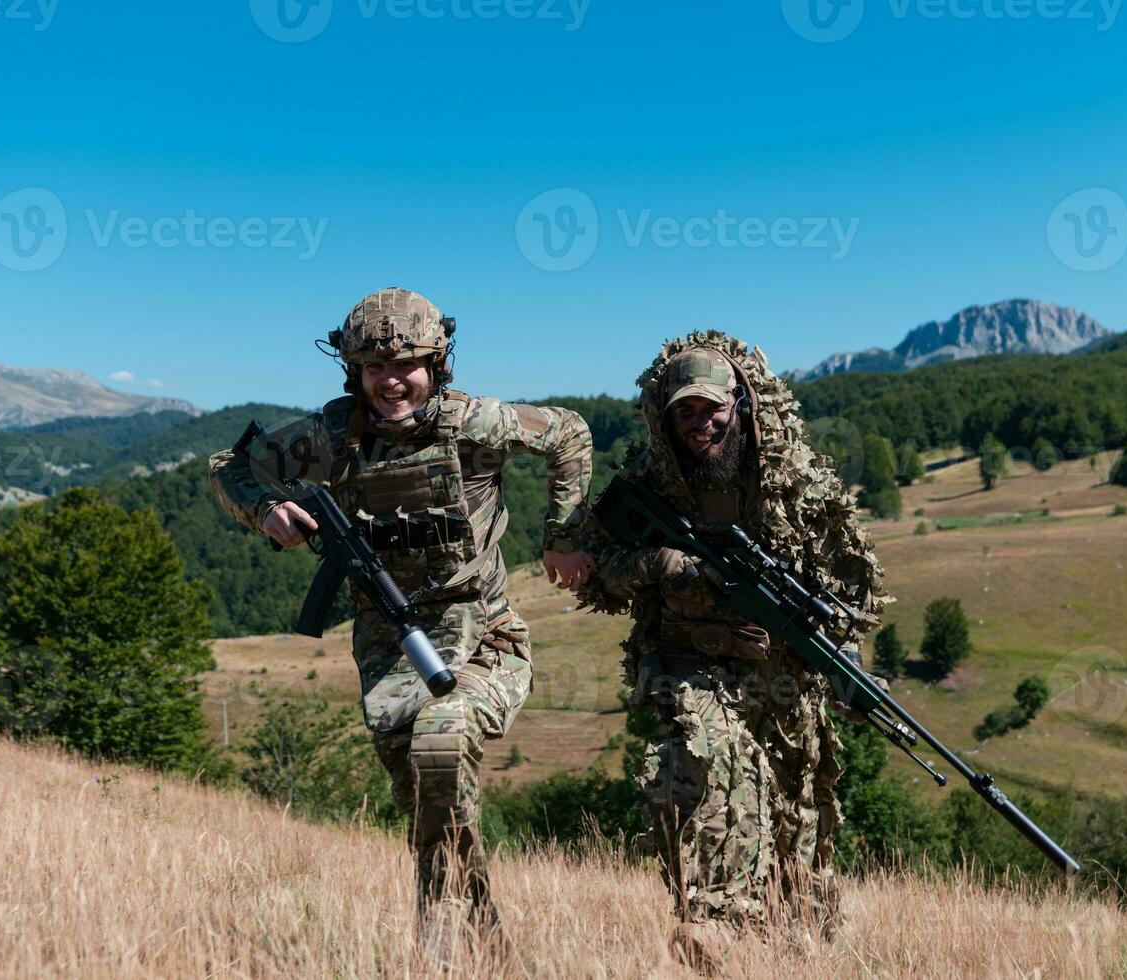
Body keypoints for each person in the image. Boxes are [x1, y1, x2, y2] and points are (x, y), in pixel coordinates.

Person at [208, 287, 595, 956]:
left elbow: (570, 433)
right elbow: (230, 468)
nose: (391, 382)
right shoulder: (333, 437)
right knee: (423, 799)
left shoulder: (476, 424)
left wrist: (561, 531)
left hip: (484, 636)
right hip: (388, 648)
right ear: (353, 371)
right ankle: (477, 941)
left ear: (436, 362)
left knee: (441, 744)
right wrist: (265, 511)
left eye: (406, 365)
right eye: (373, 369)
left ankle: (443, 939)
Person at [575, 331, 888, 972]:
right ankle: (716, 930)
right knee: (712, 771)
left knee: (797, 808)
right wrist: (662, 564)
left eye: (712, 408)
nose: (700, 425)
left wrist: (852, 667)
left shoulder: (795, 485)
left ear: (742, 403)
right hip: (689, 665)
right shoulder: (647, 482)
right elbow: (592, 568)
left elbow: (849, 587)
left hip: (783, 671)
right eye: (684, 412)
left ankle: (794, 939)